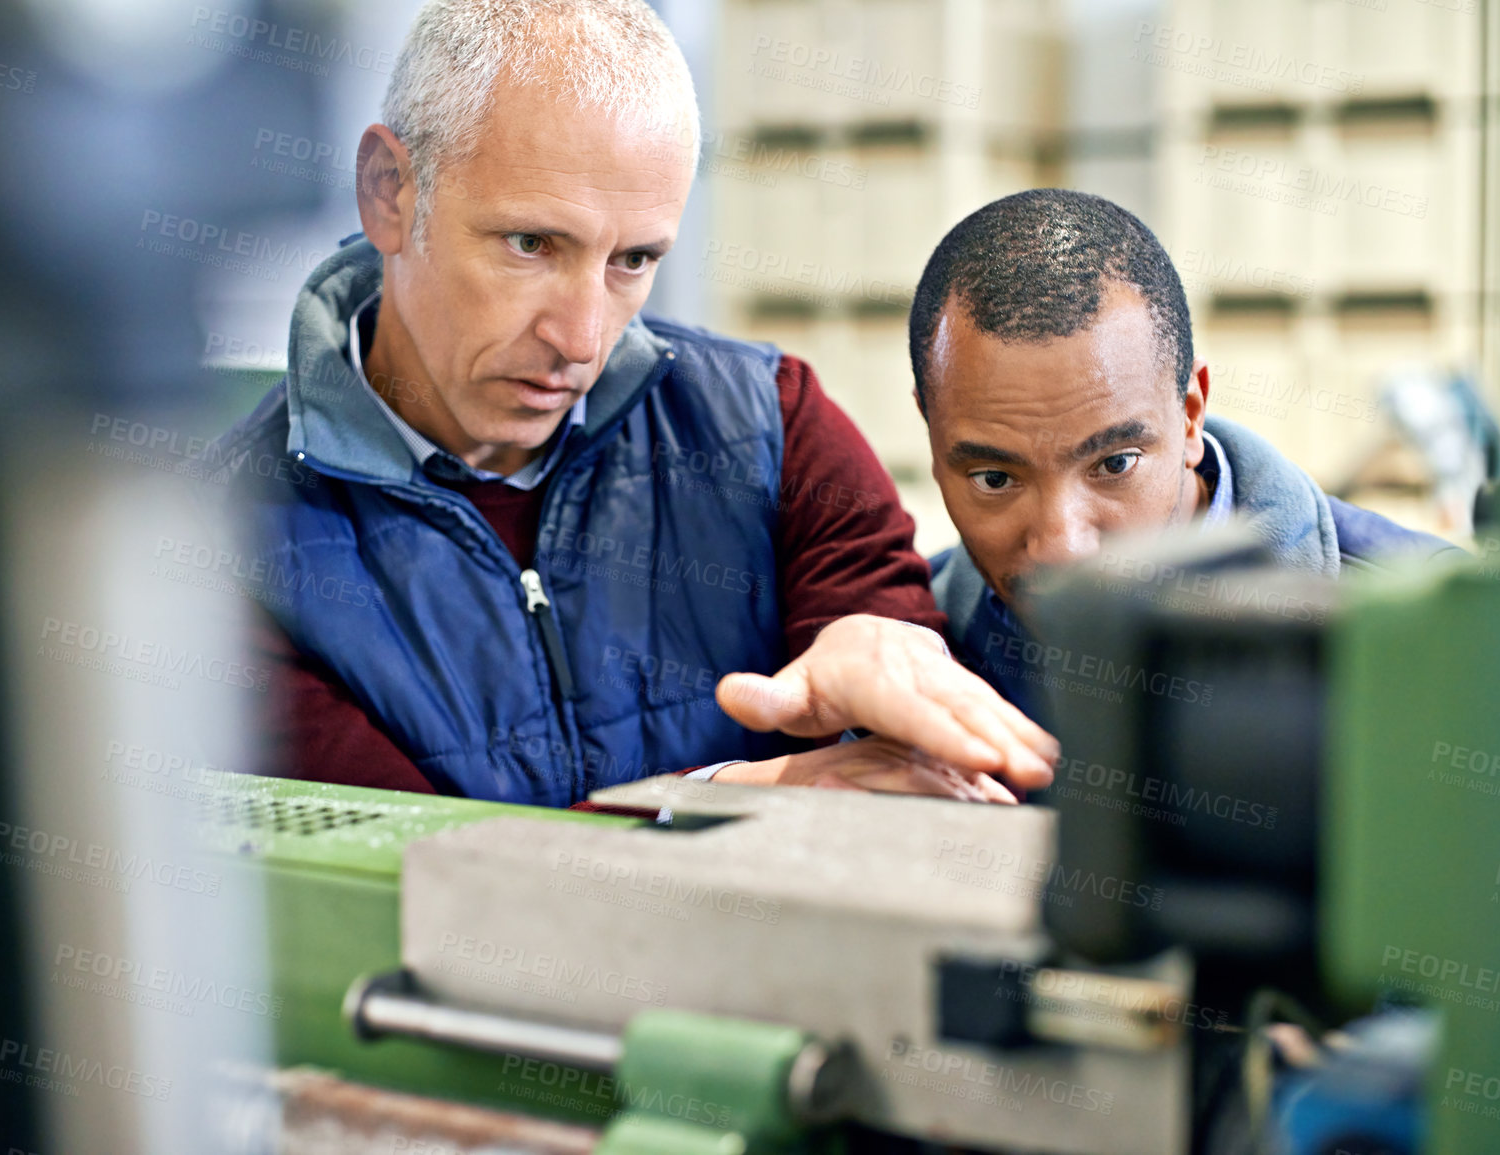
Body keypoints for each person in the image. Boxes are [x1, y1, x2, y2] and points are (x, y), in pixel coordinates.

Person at [219, 0, 1057, 806]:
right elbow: (418, 880)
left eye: (633, 260)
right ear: (388, 192)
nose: (582, 338)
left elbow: (894, 760)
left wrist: (886, 651)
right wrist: (714, 802)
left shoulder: (772, 424)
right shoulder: (221, 553)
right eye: (530, 244)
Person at [909, 189, 1458, 719]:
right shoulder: (902, 646)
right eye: (994, 479)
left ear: (1191, 414)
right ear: (930, 437)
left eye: (1115, 464)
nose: (1063, 549)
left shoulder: (1442, 628)